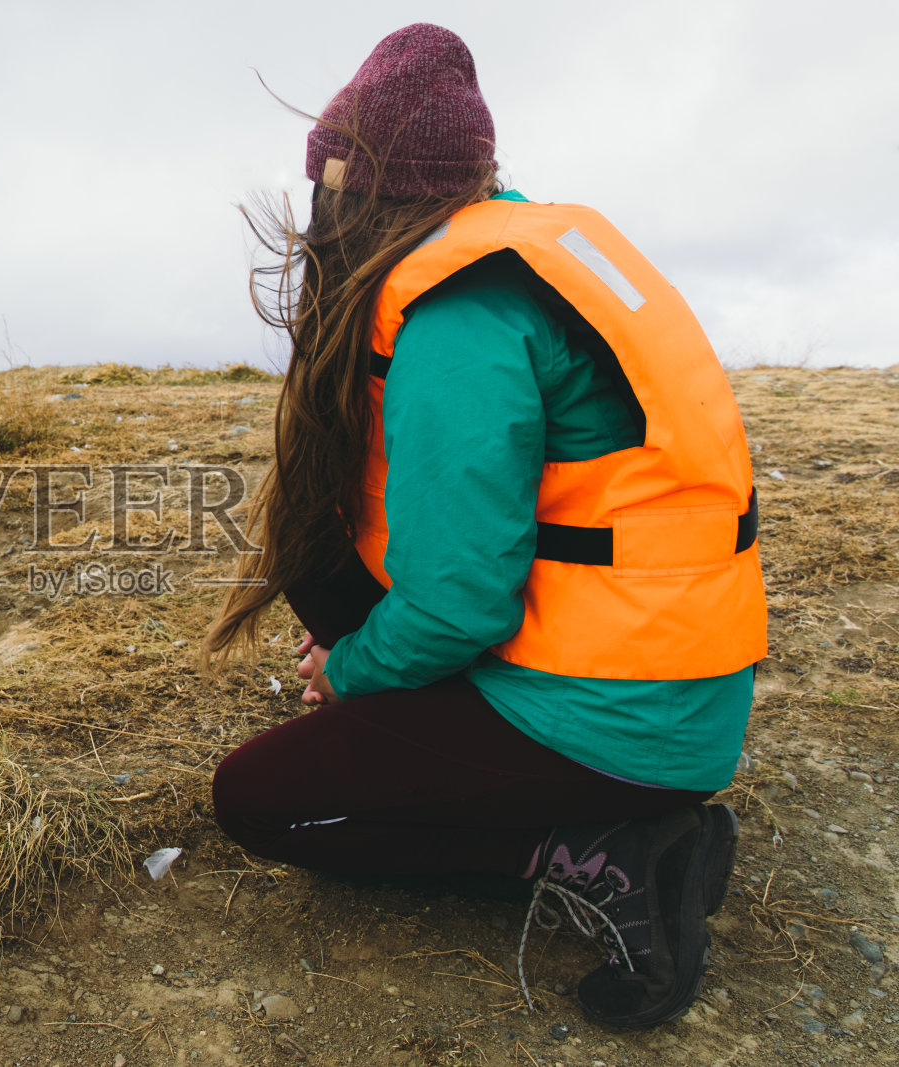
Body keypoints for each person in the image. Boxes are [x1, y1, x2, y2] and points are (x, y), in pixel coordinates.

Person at [204, 23, 766, 1030]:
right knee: (315, 552)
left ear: (358, 198)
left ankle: (612, 852)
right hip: (660, 663)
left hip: (616, 719)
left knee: (260, 798)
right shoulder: (521, 247)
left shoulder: (456, 325)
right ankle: (522, 775)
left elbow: (460, 604)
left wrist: (352, 670)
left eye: (326, 195)